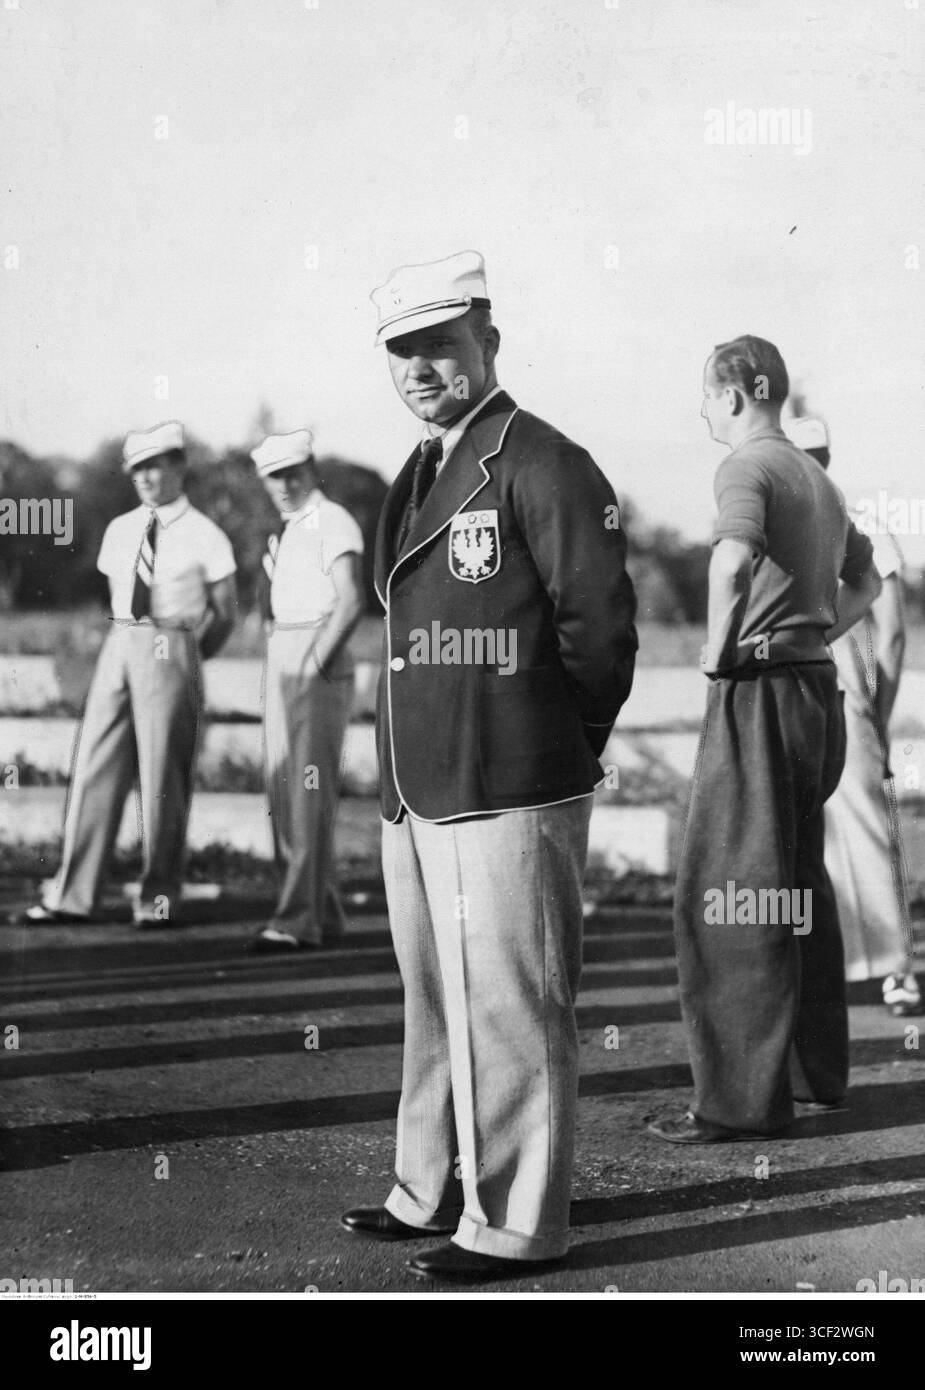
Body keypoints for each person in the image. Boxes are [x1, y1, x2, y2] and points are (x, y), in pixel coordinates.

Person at [339, 250, 638, 1280]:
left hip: (509, 780)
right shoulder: (417, 472)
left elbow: (599, 633)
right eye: (401, 352)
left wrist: (559, 749)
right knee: (434, 996)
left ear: (489, 343)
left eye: (439, 344)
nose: (419, 368)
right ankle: (426, 1187)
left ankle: (514, 1222)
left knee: (512, 1006)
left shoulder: (543, 460)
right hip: (417, 787)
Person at [650, 337, 881, 1145]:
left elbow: (730, 564)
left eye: (711, 395)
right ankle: (812, 1077)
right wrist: (816, 633)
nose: (706, 411)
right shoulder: (818, 479)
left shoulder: (747, 468)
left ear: (747, 390)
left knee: (728, 896)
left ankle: (737, 1105)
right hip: (813, 690)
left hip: (756, 692)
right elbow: (869, 582)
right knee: (793, 884)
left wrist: (718, 653)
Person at [24, 421, 237, 927]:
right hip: (121, 641)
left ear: (179, 466)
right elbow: (113, 595)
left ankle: (157, 899)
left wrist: (186, 662)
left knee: (163, 778)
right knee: (94, 767)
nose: (146, 476)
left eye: (156, 465)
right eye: (137, 468)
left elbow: (225, 612)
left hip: (172, 641)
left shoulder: (206, 533)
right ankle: (73, 895)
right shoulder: (121, 528)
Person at [787, 415, 922, 1017]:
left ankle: (862, 971)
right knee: (866, 831)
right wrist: (878, 713)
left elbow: (889, 635)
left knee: (805, 834)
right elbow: (892, 636)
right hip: (844, 697)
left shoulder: (778, 522)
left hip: (793, 695)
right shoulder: (862, 521)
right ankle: (895, 973)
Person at [248, 429, 365, 953]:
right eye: (274, 477)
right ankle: (325, 912)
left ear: (310, 470)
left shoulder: (332, 519)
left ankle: (297, 919)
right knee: (282, 788)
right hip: (284, 652)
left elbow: (352, 598)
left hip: (316, 652)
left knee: (305, 792)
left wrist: (318, 659)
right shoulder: (290, 527)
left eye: (293, 473)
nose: (284, 485)